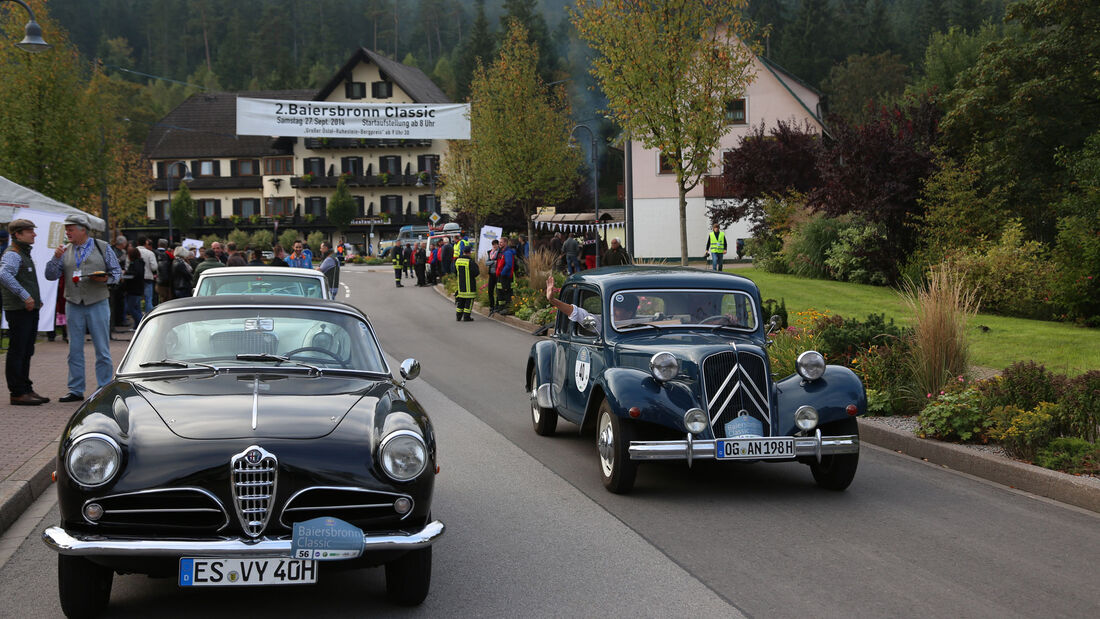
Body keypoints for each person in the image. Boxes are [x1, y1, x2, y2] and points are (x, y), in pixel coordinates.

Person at [45, 212, 122, 403]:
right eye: (66, 229)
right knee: (74, 349)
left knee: (102, 348)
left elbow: (117, 273)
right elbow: (50, 276)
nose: (67, 232)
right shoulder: (65, 251)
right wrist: (55, 259)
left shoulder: (102, 247)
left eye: (70, 229)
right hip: (73, 303)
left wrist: (105, 278)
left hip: (97, 302)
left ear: (83, 230)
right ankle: (75, 389)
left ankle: (103, 388)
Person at [0, 219, 48, 405]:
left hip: (26, 309)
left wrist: (35, 298)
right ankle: (18, 392)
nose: (34, 234)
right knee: (18, 350)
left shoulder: (23, 252)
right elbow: (3, 274)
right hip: (19, 309)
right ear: (17, 234)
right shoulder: (13, 253)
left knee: (26, 349)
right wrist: (26, 296)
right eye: (29, 231)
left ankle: (25, 388)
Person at [544, 275, 638, 336]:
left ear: (629, 313)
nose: (612, 310)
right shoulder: (602, 323)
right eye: (612, 306)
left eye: (618, 308)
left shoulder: (640, 325)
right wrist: (552, 300)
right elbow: (577, 313)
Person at [454, 244, 479, 321]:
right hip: (469, 286)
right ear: (469, 252)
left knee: (461, 301)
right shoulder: (470, 262)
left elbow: (454, 271)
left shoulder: (457, 261)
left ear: (463, 252)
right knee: (469, 301)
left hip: (461, 286)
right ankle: (466, 317)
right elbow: (476, 272)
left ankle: (458, 316)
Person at [122, 246, 146, 329]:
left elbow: (135, 273)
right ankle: (138, 325)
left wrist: (126, 272)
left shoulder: (136, 263)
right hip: (138, 288)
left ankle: (140, 324)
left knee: (131, 308)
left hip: (133, 289)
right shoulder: (140, 262)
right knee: (137, 308)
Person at [110, 235, 128, 331]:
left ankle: (118, 320)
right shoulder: (118, 252)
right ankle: (119, 320)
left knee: (119, 301)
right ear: (122, 244)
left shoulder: (115, 250)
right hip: (117, 280)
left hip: (118, 280)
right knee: (119, 301)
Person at [137, 236, 158, 314]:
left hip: (136, 278)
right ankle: (148, 315)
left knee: (137, 299)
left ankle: (138, 317)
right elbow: (154, 267)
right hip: (148, 277)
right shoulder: (150, 253)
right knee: (148, 299)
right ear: (146, 243)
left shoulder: (133, 251)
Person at [495, 237, 516, 315]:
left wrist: (502, 273)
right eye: (499, 242)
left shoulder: (507, 253)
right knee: (500, 292)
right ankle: (501, 307)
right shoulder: (502, 252)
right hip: (501, 276)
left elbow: (509, 265)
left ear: (505, 243)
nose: (499, 244)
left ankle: (507, 309)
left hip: (506, 276)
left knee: (507, 292)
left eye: (501, 242)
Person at [155, 239, 173, 303]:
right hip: (165, 282)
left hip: (157, 279)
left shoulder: (154, 252)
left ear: (158, 244)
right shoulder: (167, 254)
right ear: (166, 245)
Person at [485, 239, 500, 313]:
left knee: (498, 291)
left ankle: (497, 306)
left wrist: (492, 262)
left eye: (495, 244)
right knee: (490, 291)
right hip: (491, 274)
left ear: (498, 244)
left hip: (497, 274)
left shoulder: (500, 252)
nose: (494, 246)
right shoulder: (490, 252)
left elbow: (499, 262)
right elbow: (486, 263)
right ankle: (491, 305)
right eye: (493, 244)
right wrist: (493, 262)